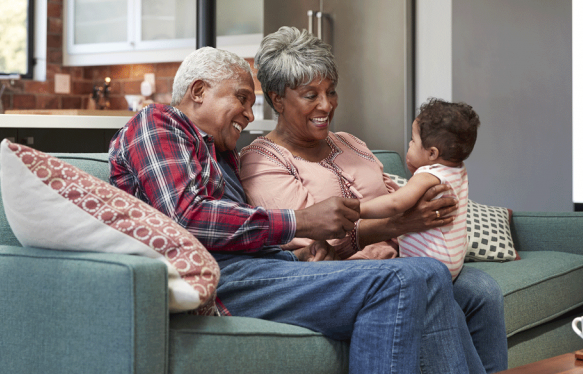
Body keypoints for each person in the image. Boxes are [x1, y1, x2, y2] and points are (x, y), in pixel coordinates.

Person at [110, 46, 488, 373]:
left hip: (261, 267)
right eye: (241, 98)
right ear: (198, 91)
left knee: (433, 277)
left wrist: (305, 251)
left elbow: (243, 228)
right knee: (404, 278)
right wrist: (301, 221)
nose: (248, 113)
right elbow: (187, 215)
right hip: (216, 279)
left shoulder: (219, 151)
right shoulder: (158, 123)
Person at [239, 27, 507, 373]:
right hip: (349, 274)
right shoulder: (263, 160)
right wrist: (399, 226)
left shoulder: (350, 142)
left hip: (400, 256)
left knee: (483, 289)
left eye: (331, 91)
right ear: (277, 99)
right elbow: (312, 237)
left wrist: (420, 217)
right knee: (429, 290)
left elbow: (395, 194)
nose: (326, 105)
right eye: (310, 95)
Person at [358, 98, 480, 280]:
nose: (409, 144)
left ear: (432, 153)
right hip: (452, 261)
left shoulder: (427, 175)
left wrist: (358, 210)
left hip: (428, 264)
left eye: (413, 141)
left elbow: (395, 203)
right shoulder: (458, 170)